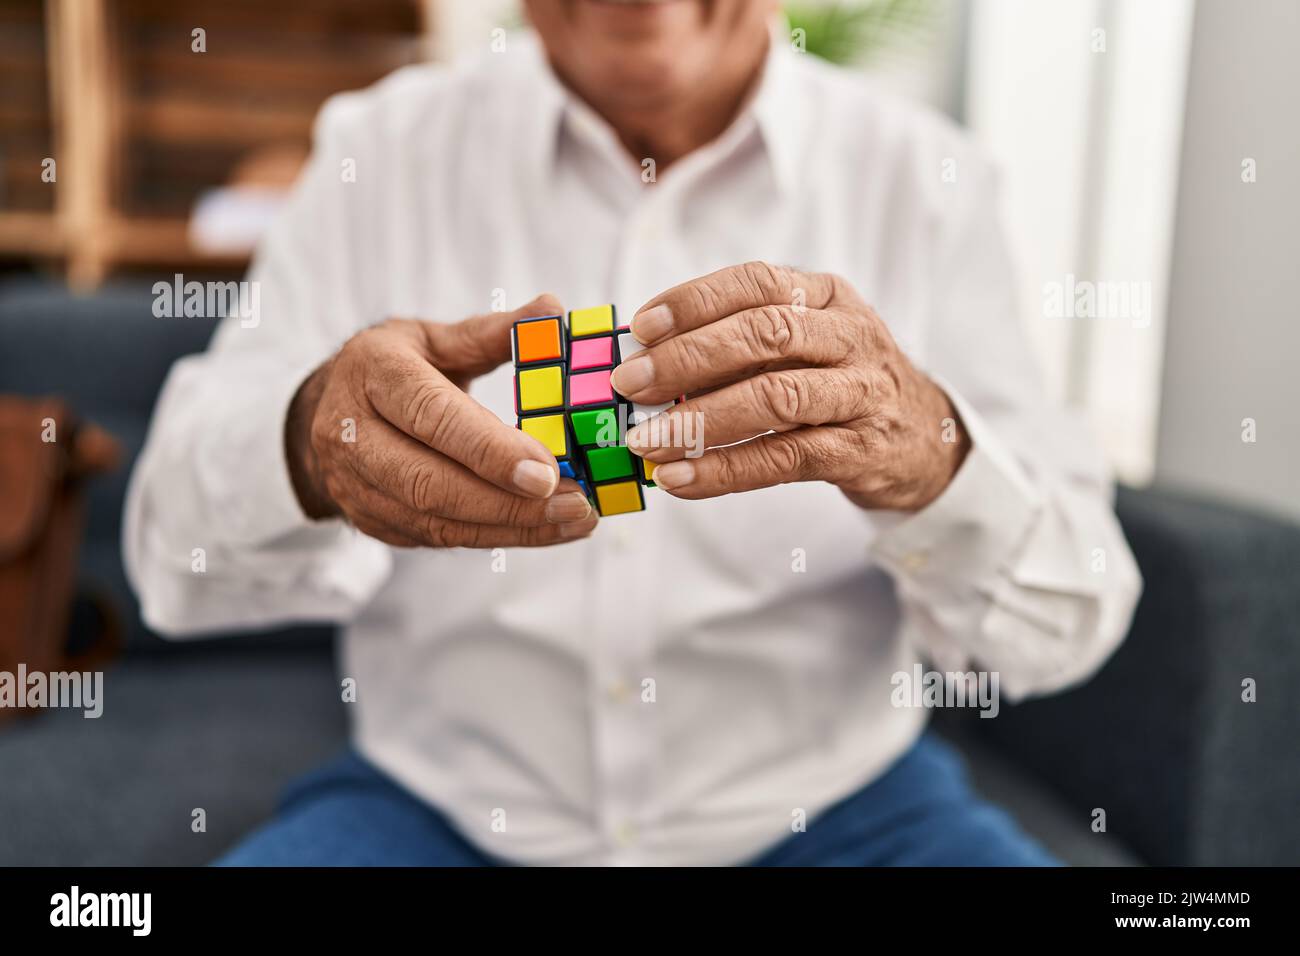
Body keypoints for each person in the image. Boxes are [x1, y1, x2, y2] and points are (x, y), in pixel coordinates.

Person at [124, 0, 1141, 866]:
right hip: (438, 809)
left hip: (848, 811)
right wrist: (310, 438)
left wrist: (932, 456)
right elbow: (166, 547)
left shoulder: (929, 177)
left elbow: (1074, 612)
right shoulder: (376, 151)